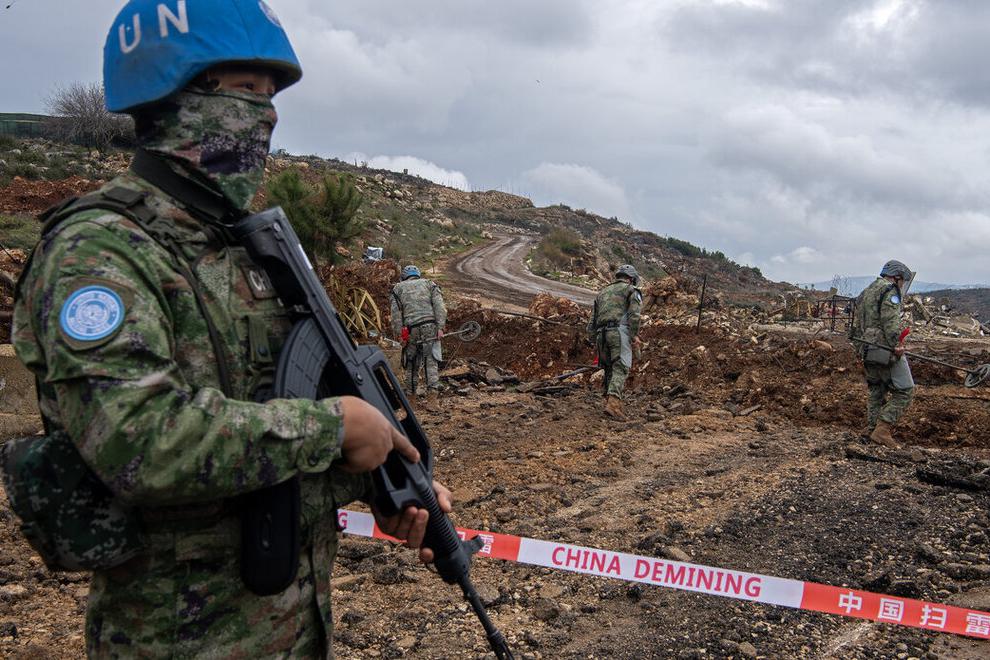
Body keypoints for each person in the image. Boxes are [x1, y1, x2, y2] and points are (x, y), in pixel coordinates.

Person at [9, 1, 450, 656]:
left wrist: (379, 483)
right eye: (247, 91)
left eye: (271, 97)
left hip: (293, 627)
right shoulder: (99, 251)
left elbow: (266, 418)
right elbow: (138, 442)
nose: (266, 116)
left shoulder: (243, 251)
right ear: (174, 94)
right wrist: (332, 429)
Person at [850, 260, 915, 448]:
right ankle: (882, 430)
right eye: (902, 281)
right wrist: (897, 345)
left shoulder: (867, 291)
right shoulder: (890, 291)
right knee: (905, 391)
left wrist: (859, 348)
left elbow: (856, 324)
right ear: (897, 277)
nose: (901, 285)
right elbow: (890, 321)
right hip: (884, 350)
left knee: (876, 389)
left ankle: (871, 430)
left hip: (866, 347)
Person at [588, 264, 642, 419]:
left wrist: (593, 339)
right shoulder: (631, 290)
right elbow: (634, 315)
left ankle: (609, 402)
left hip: (601, 334)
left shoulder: (602, 292)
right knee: (621, 367)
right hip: (619, 332)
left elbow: (591, 321)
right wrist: (634, 336)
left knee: (608, 368)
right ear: (631, 278)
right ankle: (613, 404)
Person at [390, 264, 447, 397]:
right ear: (418, 275)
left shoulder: (397, 288)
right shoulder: (430, 284)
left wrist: (400, 335)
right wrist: (440, 328)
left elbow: (396, 315)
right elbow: (440, 307)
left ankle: (410, 395)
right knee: (431, 360)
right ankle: (433, 395)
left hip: (411, 329)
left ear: (404, 277)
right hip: (430, 326)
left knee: (411, 362)